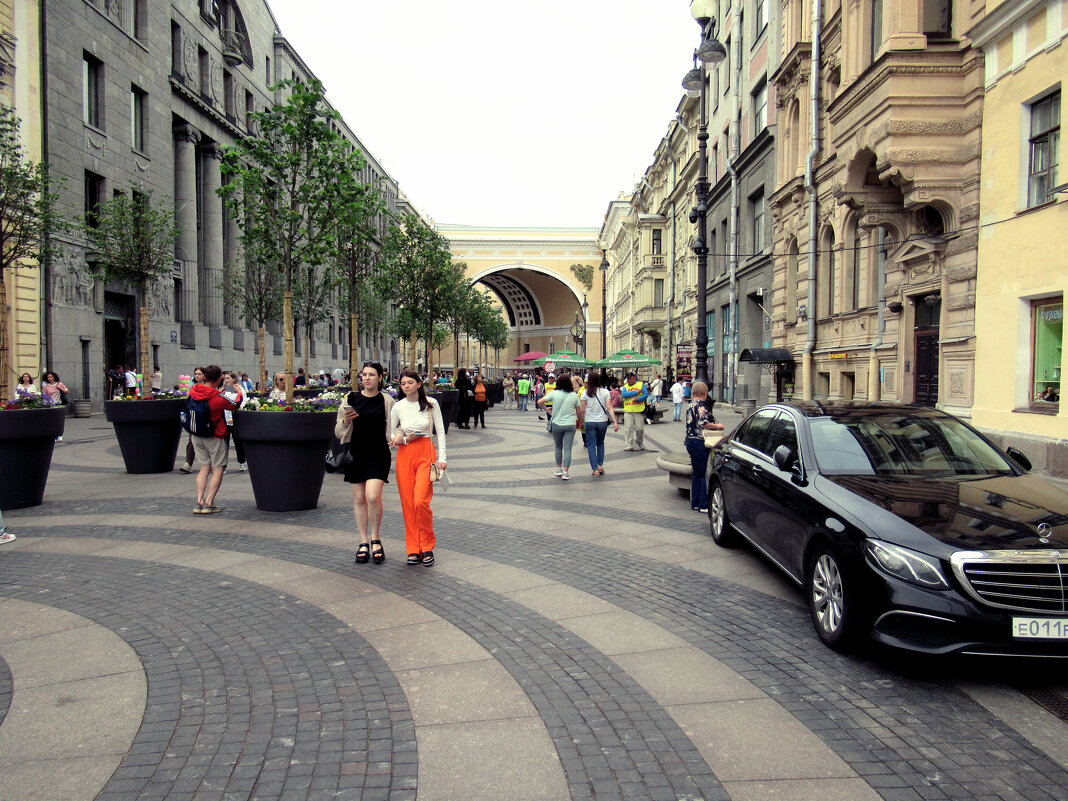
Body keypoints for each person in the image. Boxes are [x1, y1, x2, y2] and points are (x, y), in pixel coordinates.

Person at [335, 361, 395, 565]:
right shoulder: (350, 399)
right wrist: (346, 421)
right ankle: (363, 542)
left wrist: (399, 436)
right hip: (356, 454)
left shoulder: (387, 401)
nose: (367, 378)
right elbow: (338, 431)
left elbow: (396, 426)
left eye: (371, 374)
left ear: (380, 377)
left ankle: (375, 537)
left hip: (379, 453)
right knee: (359, 499)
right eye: (364, 374)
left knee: (372, 496)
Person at [389, 368, 447, 566]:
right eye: (403, 383)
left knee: (420, 501)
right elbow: (391, 435)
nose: (406, 386)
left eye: (410, 383)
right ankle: (413, 548)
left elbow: (440, 429)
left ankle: (427, 544)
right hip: (405, 454)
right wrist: (404, 438)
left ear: (419, 384)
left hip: (426, 453)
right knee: (408, 503)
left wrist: (443, 458)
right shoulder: (398, 406)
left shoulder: (431, 404)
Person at [188, 365, 239, 514]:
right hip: (215, 436)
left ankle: (199, 502)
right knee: (218, 469)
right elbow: (234, 405)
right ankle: (209, 503)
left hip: (197, 434)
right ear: (219, 379)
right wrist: (239, 392)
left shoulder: (193, 391)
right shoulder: (218, 398)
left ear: (204, 377)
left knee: (204, 468)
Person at [684, 381, 724, 513]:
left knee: (696, 473)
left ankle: (694, 502)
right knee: (703, 474)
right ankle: (703, 504)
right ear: (705, 393)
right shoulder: (701, 405)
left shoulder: (690, 405)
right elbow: (703, 423)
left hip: (690, 441)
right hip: (700, 442)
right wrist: (718, 426)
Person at [537, 371, 580, 479]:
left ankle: (559, 469)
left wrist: (547, 410)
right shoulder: (574, 395)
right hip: (570, 424)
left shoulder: (554, 393)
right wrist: (580, 421)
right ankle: (566, 472)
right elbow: (579, 412)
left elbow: (539, 402)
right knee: (568, 448)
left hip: (557, 423)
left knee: (558, 447)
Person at [579, 371, 618, 476]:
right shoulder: (605, 391)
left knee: (591, 444)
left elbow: (582, 410)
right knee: (600, 443)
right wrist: (615, 422)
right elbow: (609, 407)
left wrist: (580, 422)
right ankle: (600, 466)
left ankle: (595, 469)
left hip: (590, 422)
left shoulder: (585, 393)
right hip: (602, 422)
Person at [179, 367, 206, 473]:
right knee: (192, 440)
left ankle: (212, 464)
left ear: (204, 375)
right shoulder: (192, 386)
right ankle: (188, 463)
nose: (197, 376)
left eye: (199, 374)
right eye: (196, 374)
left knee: (208, 441)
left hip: (205, 416)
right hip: (194, 416)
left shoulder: (209, 386)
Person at [221, 371, 247, 472]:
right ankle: (223, 465)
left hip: (235, 417)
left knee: (238, 442)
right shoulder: (225, 389)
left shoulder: (239, 389)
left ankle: (242, 461)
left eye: (228, 378)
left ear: (234, 379)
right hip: (225, 418)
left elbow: (243, 401)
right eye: (225, 378)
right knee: (224, 444)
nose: (226, 380)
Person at [620, 372, 648, 451]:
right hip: (628, 410)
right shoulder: (625, 387)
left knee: (640, 429)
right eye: (628, 379)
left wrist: (638, 399)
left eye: (631, 378)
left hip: (638, 410)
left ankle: (639, 441)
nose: (629, 380)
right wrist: (635, 392)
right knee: (628, 428)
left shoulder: (640, 384)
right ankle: (629, 444)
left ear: (634, 378)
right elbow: (624, 395)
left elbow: (645, 394)